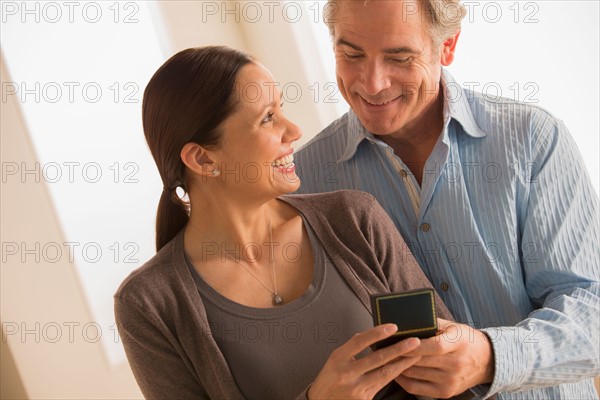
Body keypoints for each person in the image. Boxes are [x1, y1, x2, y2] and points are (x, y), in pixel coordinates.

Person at [114, 46, 481, 400]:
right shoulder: (148, 305)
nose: (293, 132)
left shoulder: (354, 220)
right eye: (268, 118)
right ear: (202, 159)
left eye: (281, 110)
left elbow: (454, 375)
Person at [293, 0, 600, 399]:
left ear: (448, 45)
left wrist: (490, 356)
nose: (372, 82)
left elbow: (590, 310)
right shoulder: (304, 181)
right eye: (351, 54)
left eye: (399, 57)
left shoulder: (532, 141)